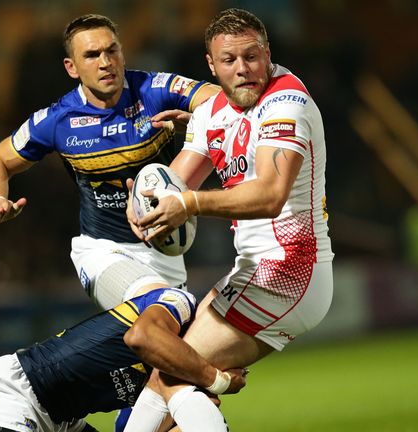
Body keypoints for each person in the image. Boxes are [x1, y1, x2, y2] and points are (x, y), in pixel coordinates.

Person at [124, 8, 334, 432]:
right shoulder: (209, 114)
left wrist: (189, 205)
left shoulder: (286, 101)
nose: (243, 70)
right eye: (229, 61)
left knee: (174, 374)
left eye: (252, 57)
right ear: (211, 65)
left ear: (268, 53)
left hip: (291, 270)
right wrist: (142, 202)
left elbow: (272, 195)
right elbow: (174, 183)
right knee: (167, 385)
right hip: (253, 270)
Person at [0, 14, 219, 310]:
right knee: (159, 311)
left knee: (161, 345)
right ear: (72, 67)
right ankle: (20, 361)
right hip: (104, 250)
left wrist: (197, 121)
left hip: (165, 249)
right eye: (92, 55)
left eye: (111, 51)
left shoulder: (154, 89)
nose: (105, 62)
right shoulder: (58, 120)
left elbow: (220, 100)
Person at [0, 287, 247, 432]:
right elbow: (141, 337)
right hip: (14, 391)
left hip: (64, 421)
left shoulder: (177, 380)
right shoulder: (179, 302)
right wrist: (217, 380)